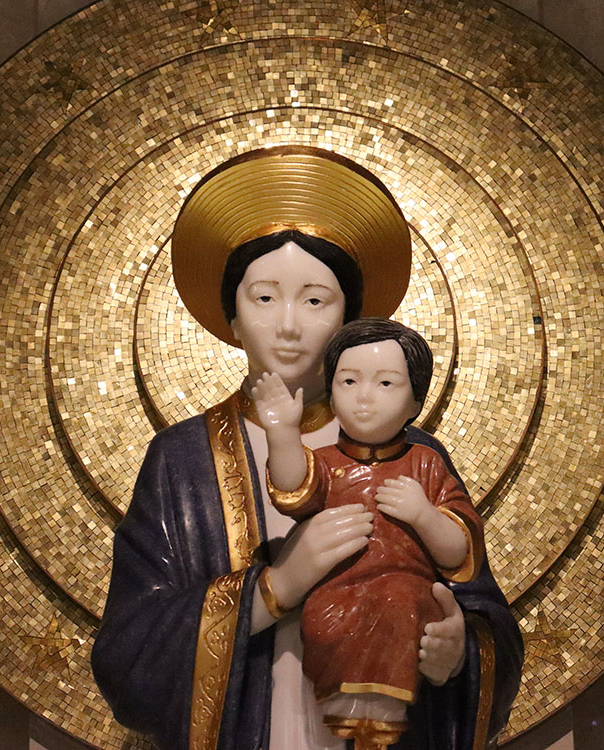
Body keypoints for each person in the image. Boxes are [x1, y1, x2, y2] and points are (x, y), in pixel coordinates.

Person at [91, 147, 523, 750]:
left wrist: (456, 654)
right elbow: (128, 653)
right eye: (264, 298)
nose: (289, 325)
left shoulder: (416, 455)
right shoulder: (183, 460)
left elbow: (487, 623)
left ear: (350, 321)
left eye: (316, 300)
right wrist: (277, 588)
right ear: (232, 318)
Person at [253, 319, 486, 750]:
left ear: (416, 399)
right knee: (322, 621)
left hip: (405, 589)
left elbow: (460, 552)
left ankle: (381, 717)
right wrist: (283, 432)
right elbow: (291, 491)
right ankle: (346, 710)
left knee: (398, 605)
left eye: (385, 383)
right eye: (349, 380)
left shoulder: (426, 463)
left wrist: (423, 515)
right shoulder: (326, 462)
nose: (364, 396)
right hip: (335, 589)